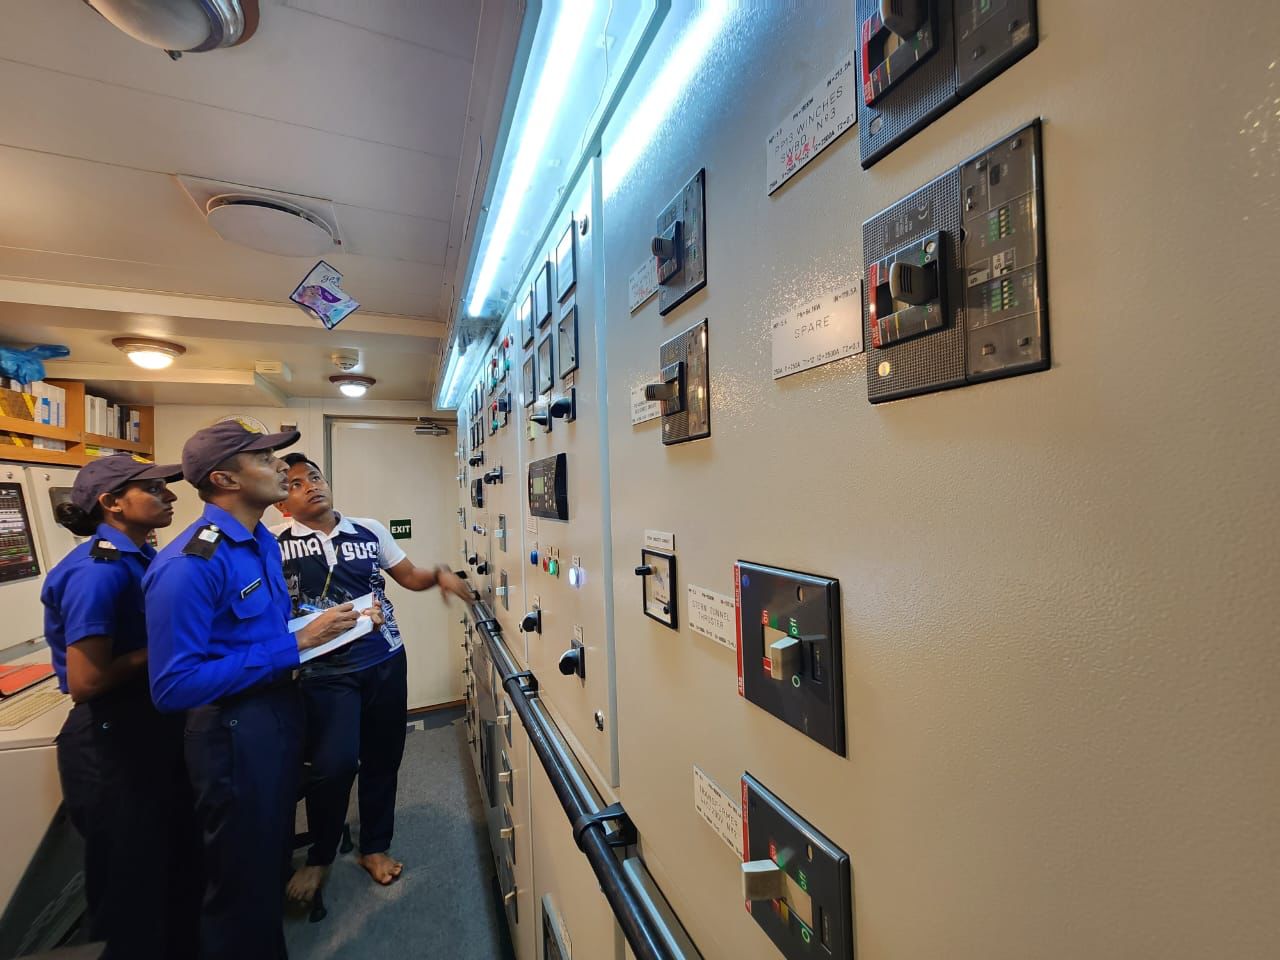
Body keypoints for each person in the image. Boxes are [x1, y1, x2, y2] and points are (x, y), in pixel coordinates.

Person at [143, 420, 371, 960]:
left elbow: (259, 634)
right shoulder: (188, 565)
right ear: (226, 479)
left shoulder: (260, 541)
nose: (281, 467)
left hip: (277, 714)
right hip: (233, 733)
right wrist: (295, 645)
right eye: (265, 459)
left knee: (267, 860)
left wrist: (327, 628)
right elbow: (173, 685)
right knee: (240, 882)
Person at [271, 451, 473, 903]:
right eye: (296, 484)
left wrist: (439, 576)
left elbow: (409, 576)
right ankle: (321, 854)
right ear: (281, 503)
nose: (311, 486)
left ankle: (375, 846)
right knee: (335, 765)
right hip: (323, 672)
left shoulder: (369, 530)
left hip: (384, 660)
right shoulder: (273, 543)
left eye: (315, 477)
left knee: (383, 756)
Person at [40, 454, 200, 959]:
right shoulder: (97, 571)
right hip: (111, 742)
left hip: (148, 728)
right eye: (153, 489)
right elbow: (85, 681)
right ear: (112, 503)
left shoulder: (143, 557)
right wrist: (176, 643)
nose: (169, 496)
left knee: (173, 871)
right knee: (131, 894)